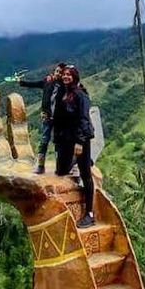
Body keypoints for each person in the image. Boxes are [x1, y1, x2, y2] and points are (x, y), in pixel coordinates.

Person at [52, 65, 96, 228]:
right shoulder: (63, 93)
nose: (65, 76)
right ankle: (81, 160)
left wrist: (80, 142)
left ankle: (90, 214)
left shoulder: (80, 95)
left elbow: (83, 119)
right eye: (64, 74)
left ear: (75, 77)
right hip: (66, 139)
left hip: (79, 139)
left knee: (86, 175)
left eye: (69, 75)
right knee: (61, 171)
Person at [19, 62, 65, 174]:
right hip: (47, 117)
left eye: (61, 72)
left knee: (58, 142)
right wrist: (21, 82)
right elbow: (35, 84)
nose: (58, 74)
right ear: (54, 71)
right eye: (57, 71)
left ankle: (59, 167)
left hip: (59, 119)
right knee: (44, 140)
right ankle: (40, 166)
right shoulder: (47, 81)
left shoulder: (65, 85)